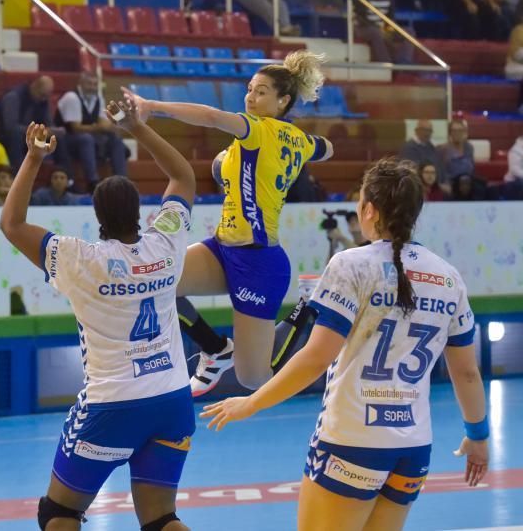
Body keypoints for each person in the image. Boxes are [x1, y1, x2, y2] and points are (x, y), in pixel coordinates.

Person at [201, 157, 489, 531]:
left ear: (368, 209)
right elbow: (466, 372)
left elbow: (316, 357)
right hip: (413, 448)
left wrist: (251, 403)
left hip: (351, 441)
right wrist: (477, 437)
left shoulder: (352, 264)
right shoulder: (448, 278)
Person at [0, 97, 196, 531]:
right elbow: (182, 176)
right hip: (172, 399)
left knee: (59, 513)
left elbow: (12, 224)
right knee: (161, 518)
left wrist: (33, 158)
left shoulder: (80, 259)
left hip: (113, 404)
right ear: (143, 213)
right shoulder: (165, 244)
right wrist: (135, 127)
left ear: (96, 216)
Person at [123, 50, 334, 396]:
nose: (251, 96)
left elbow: (209, 116)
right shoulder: (299, 140)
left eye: (261, 91)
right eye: (250, 89)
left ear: (282, 101)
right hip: (222, 249)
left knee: (255, 378)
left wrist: (151, 106)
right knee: (154, 282)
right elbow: (326, 148)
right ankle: (216, 348)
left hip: (259, 263)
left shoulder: (256, 129)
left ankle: (305, 309)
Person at [55, 71, 128, 190]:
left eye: (95, 84)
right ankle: (93, 182)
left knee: (116, 140)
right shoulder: (71, 97)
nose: (92, 87)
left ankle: (122, 181)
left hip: (90, 138)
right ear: (81, 83)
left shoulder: (97, 98)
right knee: (86, 139)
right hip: (66, 140)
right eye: (89, 84)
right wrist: (99, 126)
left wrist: (108, 126)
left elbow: (103, 123)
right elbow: (76, 128)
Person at [0, 76, 70, 171]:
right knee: (16, 135)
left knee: (57, 138)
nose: (44, 99)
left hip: (30, 136)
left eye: (47, 96)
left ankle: (65, 176)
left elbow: (48, 123)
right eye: (42, 95)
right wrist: (39, 131)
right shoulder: (13, 97)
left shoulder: (43, 99)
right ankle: (17, 175)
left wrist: (54, 130)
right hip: (7, 138)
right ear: (34, 87)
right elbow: (10, 127)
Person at [437, 119, 473, 196]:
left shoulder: (469, 148)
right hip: (450, 184)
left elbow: (471, 168)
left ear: (464, 132)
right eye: (454, 131)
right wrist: (441, 184)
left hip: (467, 184)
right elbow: (440, 171)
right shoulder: (442, 149)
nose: (457, 133)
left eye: (460, 130)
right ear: (450, 133)